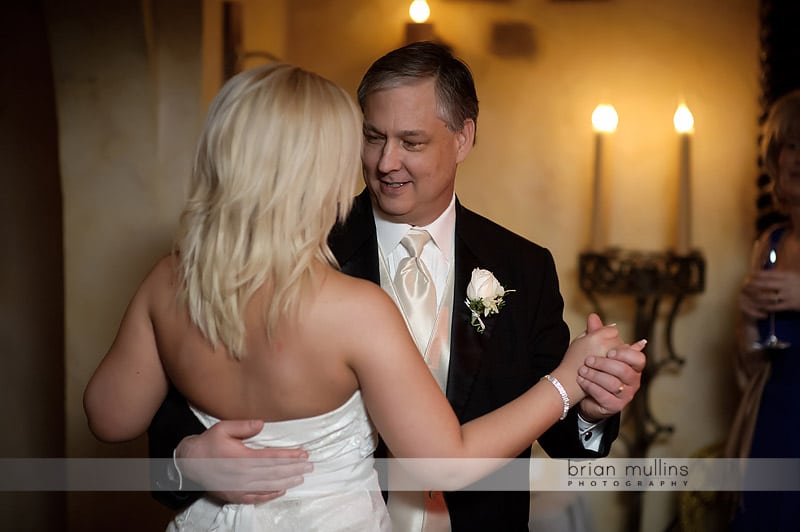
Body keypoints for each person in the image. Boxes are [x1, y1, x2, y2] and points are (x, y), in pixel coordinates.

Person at [146, 42, 647, 531]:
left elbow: (559, 424)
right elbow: (185, 401)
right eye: (372, 137)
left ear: (463, 138)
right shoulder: (297, 252)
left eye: (411, 142)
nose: (386, 162)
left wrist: (592, 406)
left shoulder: (523, 266)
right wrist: (183, 458)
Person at [727, 89, 800, 531]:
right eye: (789, 145)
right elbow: (752, 363)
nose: (797, 157)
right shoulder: (768, 244)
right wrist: (749, 320)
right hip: (772, 416)